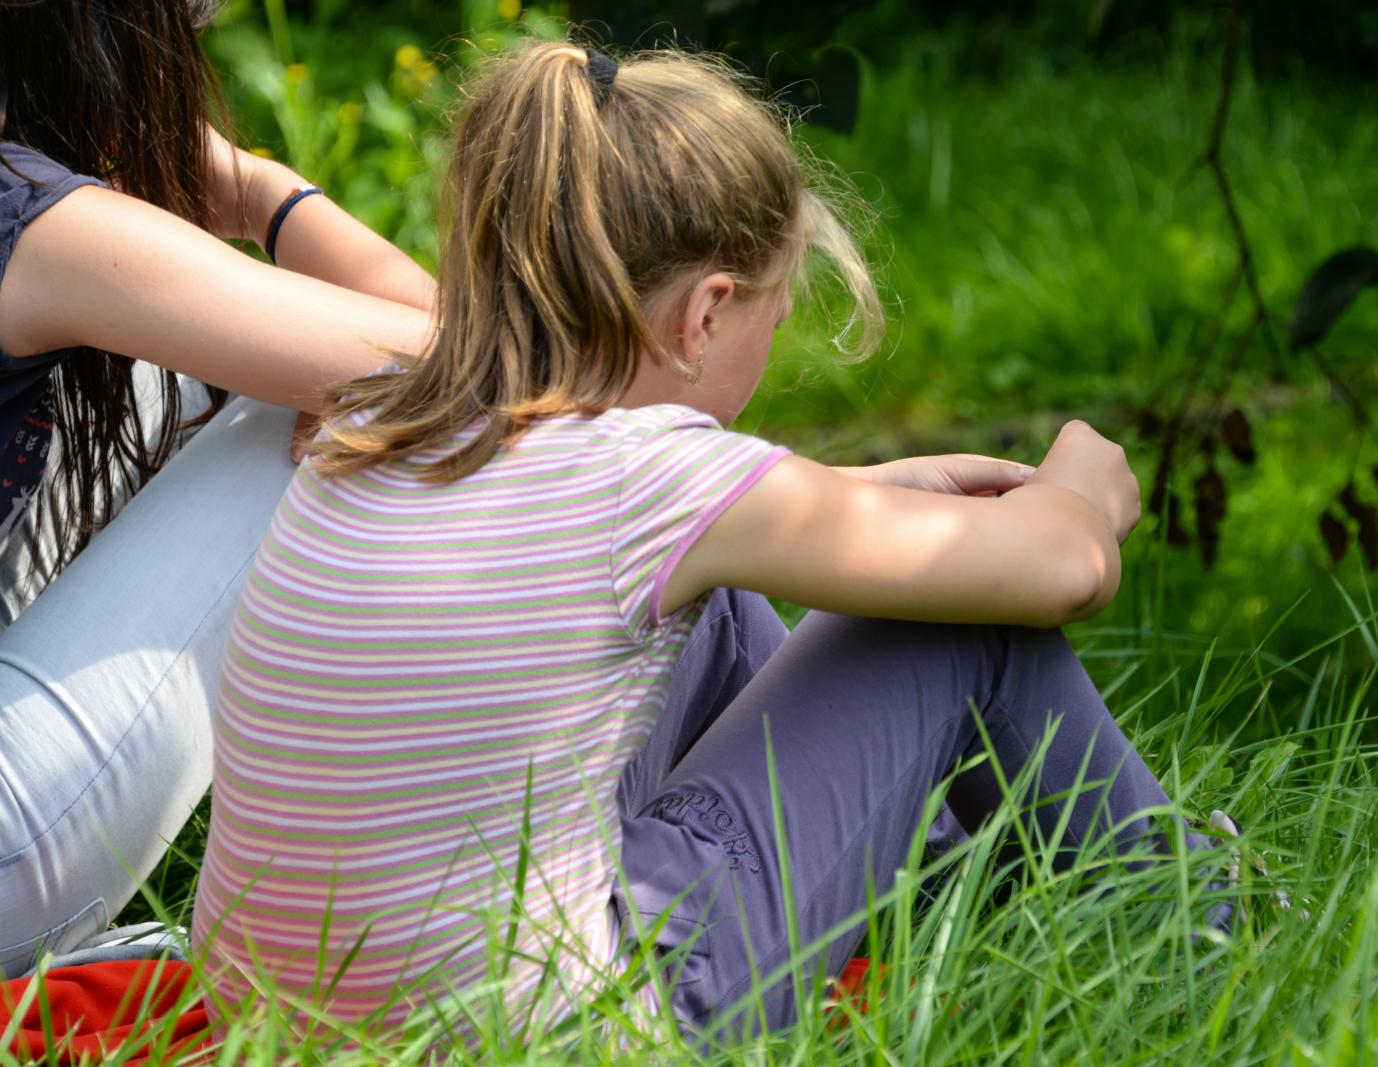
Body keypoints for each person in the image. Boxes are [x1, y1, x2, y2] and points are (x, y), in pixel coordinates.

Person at [188, 40, 1234, 1052]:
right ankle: (1192, 925)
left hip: (282, 1026)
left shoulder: (384, 414)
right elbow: (1069, 568)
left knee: (722, 600)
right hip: (561, 1035)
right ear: (706, 314)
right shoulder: (652, 476)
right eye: (775, 310)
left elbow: (595, 549)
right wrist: (1078, 486)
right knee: (961, 635)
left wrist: (855, 494)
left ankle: (960, 911)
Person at [0, 0, 438, 979]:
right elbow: (474, 357)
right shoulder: (42, 223)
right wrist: (259, 189)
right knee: (348, 424)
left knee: (202, 376)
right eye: (188, 24)